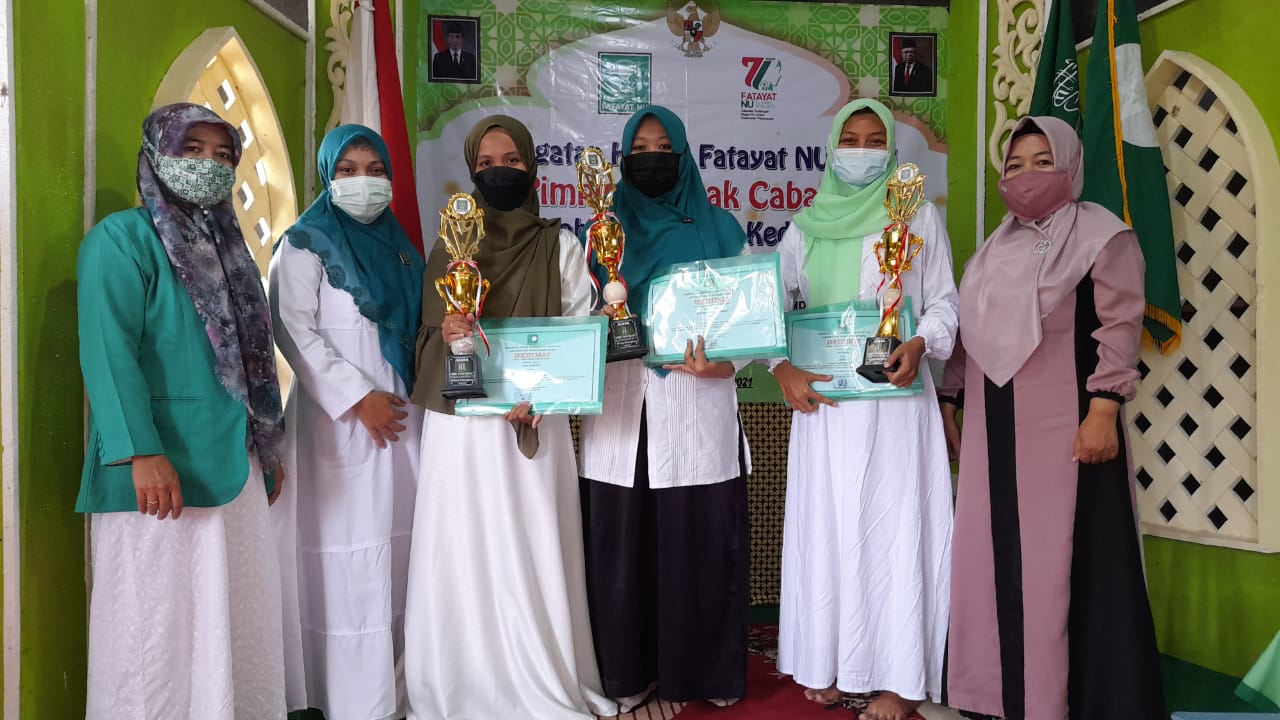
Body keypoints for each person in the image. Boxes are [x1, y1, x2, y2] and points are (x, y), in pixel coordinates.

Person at [941, 116, 1166, 719]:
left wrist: (1104, 408)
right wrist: (949, 401)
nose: (1026, 175)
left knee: (1068, 562)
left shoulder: (1102, 235)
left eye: (1043, 161)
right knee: (990, 555)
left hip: (1069, 432)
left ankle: (1074, 700)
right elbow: (967, 336)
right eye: (1014, 165)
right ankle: (995, 696)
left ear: (1070, 165)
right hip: (993, 433)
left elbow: (1120, 324)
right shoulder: (993, 250)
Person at [76, 102, 287, 719]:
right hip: (158, 472)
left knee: (234, 621)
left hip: (235, 466)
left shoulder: (229, 248)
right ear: (157, 154)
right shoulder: (121, 240)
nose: (208, 165)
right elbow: (108, 351)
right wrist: (141, 452)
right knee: (154, 631)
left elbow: (251, 361)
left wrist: (267, 449)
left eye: (222, 155)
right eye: (191, 150)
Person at [403, 115, 611, 720]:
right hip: (462, 426)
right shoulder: (450, 247)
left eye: (512, 161)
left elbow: (578, 331)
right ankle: (459, 680)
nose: (500, 171)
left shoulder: (559, 245)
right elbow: (425, 338)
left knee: (530, 537)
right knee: (463, 544)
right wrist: (449, 332)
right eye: (487, 163)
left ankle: (540, 672)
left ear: (531, 167)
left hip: (534, 419)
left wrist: (543, 395)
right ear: (472, 171)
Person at [769, 98, 957, 720]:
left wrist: (920, 342)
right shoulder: (805, 226)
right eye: (850, 139)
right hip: (825, 408)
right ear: (832, 147)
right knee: (828, 530)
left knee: (895, 532)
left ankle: (900, 681)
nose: (862, 150)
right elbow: (771, 309)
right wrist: (781, 367)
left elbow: (943, 302)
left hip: (895, 405)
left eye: (876, 140)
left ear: (893, 150)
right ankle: (830, 662)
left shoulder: (918, 215)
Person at [578, 105, 751, 712]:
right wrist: (597, 323)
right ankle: (628, 674)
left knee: (697, 544)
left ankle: (706, 674)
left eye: (662, 148)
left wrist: (723, 364)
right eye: (639, 149)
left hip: (695, 404)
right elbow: (574, 317)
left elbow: (751, 320)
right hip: (623, 408)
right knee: (623, 548)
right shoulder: (598, 234)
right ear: (624, 158)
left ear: (682, 155)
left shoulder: (722, 229)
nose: (651, 159)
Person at [269, 124, 425, 720]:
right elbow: (292, 330)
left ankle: (399, 690)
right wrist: (359, 399)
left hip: (403, 419)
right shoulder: (304, 244)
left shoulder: (402, 248)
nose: (364, 181)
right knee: (346, 558)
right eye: (348, 171)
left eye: (375, 170)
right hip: (336, 426)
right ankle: (349, 700)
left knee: (400, 550)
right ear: (327, 177)